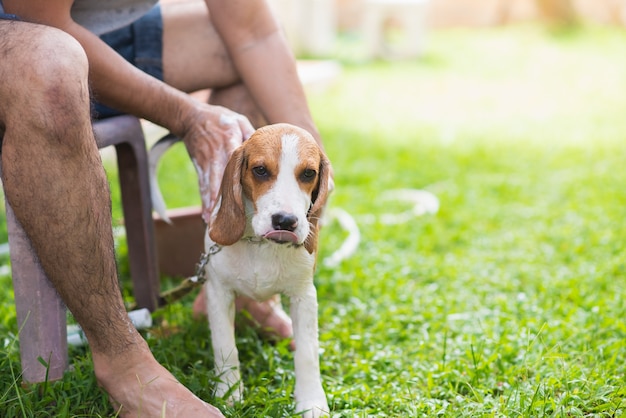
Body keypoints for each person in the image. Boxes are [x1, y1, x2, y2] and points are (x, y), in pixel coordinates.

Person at [0, 0, 324, 416]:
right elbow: (40, 20)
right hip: (23, 33)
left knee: (233, 46)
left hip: (108, 32)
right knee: (50, 63)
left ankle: (241, 281)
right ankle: (122, 362)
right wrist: (186, 114)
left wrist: (312, 167)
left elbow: (253, 31)